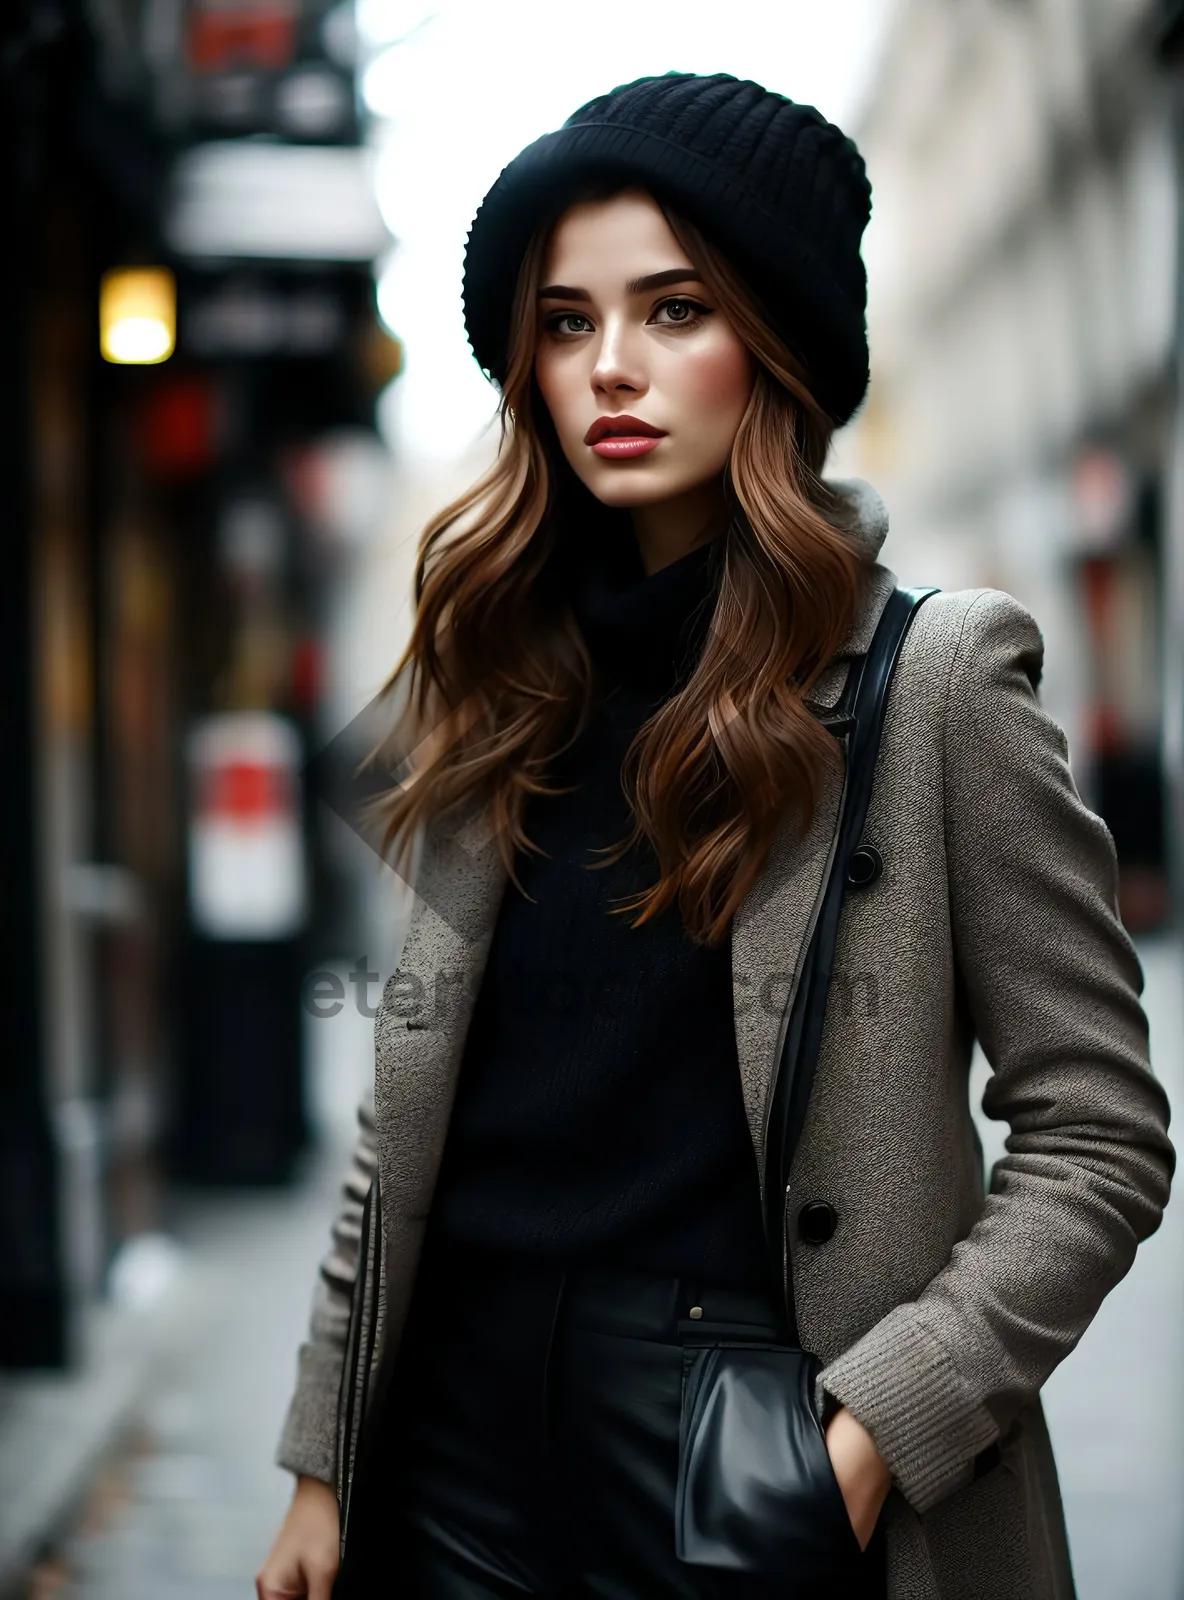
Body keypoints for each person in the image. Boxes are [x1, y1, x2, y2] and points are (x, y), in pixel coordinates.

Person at [256, 72, 1174, 1600]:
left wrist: (873, 1439)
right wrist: (320, 1453)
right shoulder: (499, 681)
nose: (611, 366)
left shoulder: (937, 682)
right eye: (565, 322)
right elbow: (406, 1120)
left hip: (747, 1456)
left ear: (781, 345)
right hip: (447, 1456)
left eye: (674, 310)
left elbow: (1100, 1135)